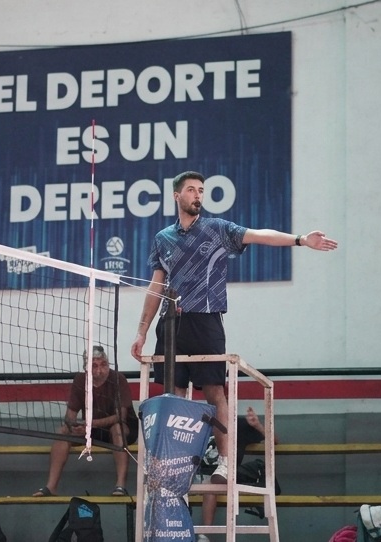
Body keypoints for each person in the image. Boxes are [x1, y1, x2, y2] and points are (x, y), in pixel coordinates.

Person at [130, 170, 338, 484]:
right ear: (176, 195)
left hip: (207, 320)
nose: (198, 195)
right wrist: (142, 331)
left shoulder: (216, 229)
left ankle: (225, 462)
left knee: (215, 392)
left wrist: (300, 240)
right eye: (191, 190)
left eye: (201, 190)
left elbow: (259, 235)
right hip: (171, 322)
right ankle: (176, 462)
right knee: (175, 394)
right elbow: (155, 286)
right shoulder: (163, 239)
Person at [33, 346, 135, 496]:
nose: (100, 370)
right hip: (91, 429)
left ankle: (120, 486)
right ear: (86, 368)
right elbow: (70, 416)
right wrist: (73, 426)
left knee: (117, 429)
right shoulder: (80, 380)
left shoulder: (118, 379)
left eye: (104, 365)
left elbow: (120, 417)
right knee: (62, 431)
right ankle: (51, 487)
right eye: (94, 366)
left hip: (122, 429)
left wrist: (90, 424)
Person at [195, 406, 277, 542]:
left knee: (212, 483)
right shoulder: (202, 423)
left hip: (227, 475)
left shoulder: (239, 425)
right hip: (197, 474)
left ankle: (204, 536)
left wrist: (257, 425)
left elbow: (274, 441)